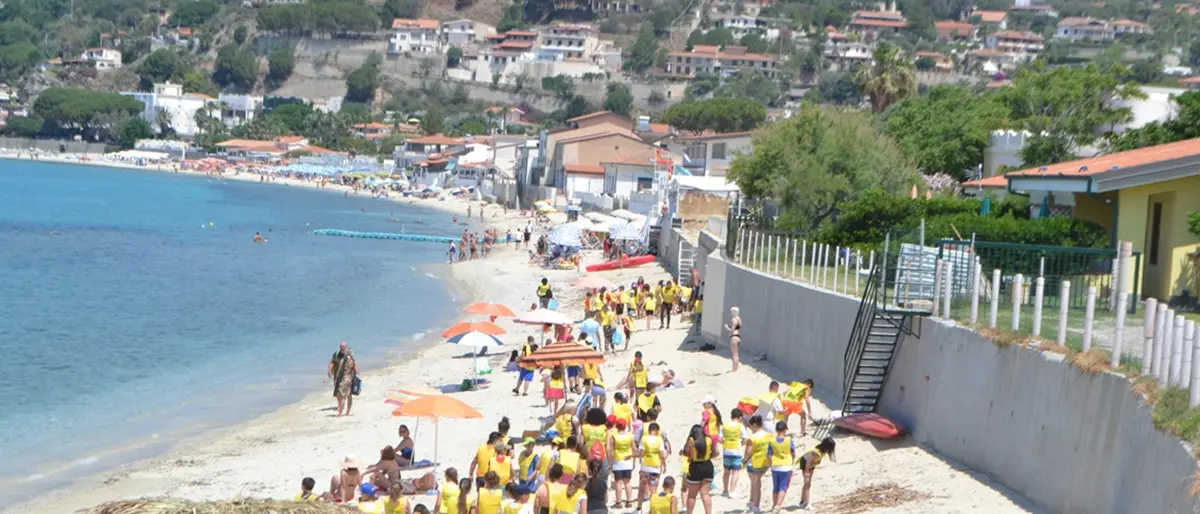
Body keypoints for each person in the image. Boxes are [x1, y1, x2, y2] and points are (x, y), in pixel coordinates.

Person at [636, 422, 668, 512]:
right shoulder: (659, 440)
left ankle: (639, 508)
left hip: (645, 467)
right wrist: (664, 465)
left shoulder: (644, 439)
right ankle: (652, 510)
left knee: (642, 488)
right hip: (655, 467)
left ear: (649, 430)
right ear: (657, 431)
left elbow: (641, 453)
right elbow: (661, 454)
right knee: (653, 491)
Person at [797, 437, 836, 510]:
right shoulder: (817, 453)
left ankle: (803, 501)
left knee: (807, 484)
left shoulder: (821, 450)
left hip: (810, 465)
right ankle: (807, 503)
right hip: (805, 465)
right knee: (807, 484)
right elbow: (808, 463)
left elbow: (812, 462)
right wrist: (806, 472)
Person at [767, 421, 797, 511]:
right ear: (785, 430)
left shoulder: (771, 441)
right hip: (786, 465)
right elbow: (793, 453)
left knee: (775, 487)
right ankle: (778, 505)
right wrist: (792, 458)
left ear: (776, 430)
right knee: (783, 487)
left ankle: (774, 504)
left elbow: (769, 455)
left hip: (775, 465)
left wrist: (770, 464)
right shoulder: (789, 440)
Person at [742, 415, 770, 512]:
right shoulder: (769, 435)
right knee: (755, 483)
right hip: (765, 462)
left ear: (754, 425)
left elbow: (748, 452)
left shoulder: (753, 438)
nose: (750, 428)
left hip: (754, 462)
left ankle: (755, 505)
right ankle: (752, 501)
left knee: (755, 484)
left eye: (751, 426)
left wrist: (744, 460)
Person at [720, 409, 748, 497]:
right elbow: (745, 438)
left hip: (727, 450)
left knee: (726, 472)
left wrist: (725, 442)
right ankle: (732, 491)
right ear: (740, 417)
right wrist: (741, 443)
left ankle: (725, 490)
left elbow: (720, 438)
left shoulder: (725, 425)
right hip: (736, 450)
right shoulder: (740, 426)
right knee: (735, 471)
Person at [607, 419, 635, 509]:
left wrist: (610, 463)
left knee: (618, 483)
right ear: (625, 426)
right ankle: (629, 501)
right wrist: (633, 461)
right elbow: (634, 449)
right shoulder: (630, 436)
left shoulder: (614, 436)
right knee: (627, 482)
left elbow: (611, 451)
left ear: (617, 426)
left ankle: (619, 502)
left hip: (618, 461)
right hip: (628, 461)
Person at [329, 341, 359, 417]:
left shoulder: (344, 359)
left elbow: (339, 370)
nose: (342, 348)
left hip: (344, 379)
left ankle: (340, 413)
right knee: (348, 396)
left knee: (341, 396)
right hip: (350, 379)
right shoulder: (352, 360)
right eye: (341, 346)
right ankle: (347, 412)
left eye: (343, 347)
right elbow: (357, 370)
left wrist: (336, 379)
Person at [723, 307, 742, 372]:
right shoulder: (739, 319)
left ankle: (734, 369)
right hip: (738, 336)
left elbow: (732, 330)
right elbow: (738, 328)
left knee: (734, 354)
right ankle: (736, 368)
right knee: (737, 354)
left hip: (734, 337)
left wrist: (726, 327)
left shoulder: (734, 319)